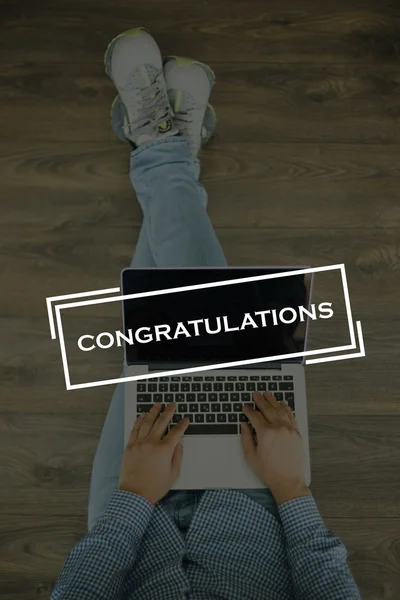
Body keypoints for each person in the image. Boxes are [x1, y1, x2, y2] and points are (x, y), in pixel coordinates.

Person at [51, 28, 361, 599]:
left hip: (131, 521)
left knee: (175, 317)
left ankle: (164, 147)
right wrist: (291, 487)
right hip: (256, 493)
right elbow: (329, 585)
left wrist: (133, 499)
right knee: (200, 314)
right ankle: (163, 149)